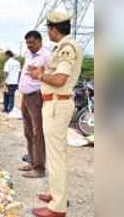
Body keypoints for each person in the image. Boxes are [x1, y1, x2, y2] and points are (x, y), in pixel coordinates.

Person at [29, 11, 83, 217]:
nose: (48, 32)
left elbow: (60, 79)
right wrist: (43, 72)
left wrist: (40, 75)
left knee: (55, 156)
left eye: (48, 29)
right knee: (55, 154)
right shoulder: (63, 47)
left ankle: (57, 207)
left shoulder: (67, 49)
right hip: (55, 105)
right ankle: (55, 193)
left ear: (53, 29)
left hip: (57, 106)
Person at [18, 30, 50, 179]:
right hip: (25, 96)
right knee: (28, 132)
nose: (29, 45)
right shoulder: (28, 54)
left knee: (38, 133)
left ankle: (39, 168)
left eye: (32, 43)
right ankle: (31, 161)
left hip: (36, 96)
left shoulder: (46, 56)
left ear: (39, 41)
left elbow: (50, 75)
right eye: (27, 43)